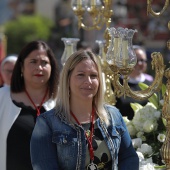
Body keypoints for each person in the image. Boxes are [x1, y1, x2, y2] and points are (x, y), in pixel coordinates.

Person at [30, 50, 139, 170]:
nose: (88, 81)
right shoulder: (46, 123)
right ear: (68, 79)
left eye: (93, 76)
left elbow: (129, 157)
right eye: (81, 75)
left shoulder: (113, 115)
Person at [0, 40, 59, 170]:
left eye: (44, 63)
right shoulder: (2, 97)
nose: (39, 67)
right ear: (21, 67)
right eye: (33, 62)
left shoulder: (62, 100)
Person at [115, 45, 153, 120]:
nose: (139, 63)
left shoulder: (150, 84)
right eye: (135, 60)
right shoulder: (117, 83)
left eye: (142, 60)